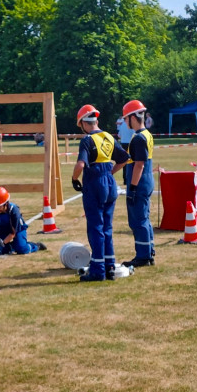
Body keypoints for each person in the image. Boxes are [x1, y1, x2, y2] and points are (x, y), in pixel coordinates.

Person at [71, 104, 129, 282]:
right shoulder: (109, 137)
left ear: (83, 123)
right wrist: (110, 173)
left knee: (95, 227)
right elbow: (124, 159)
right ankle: (110, 266)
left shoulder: (87, 140)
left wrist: (74, 179)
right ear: (96, 120)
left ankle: (98, 270)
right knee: (107, 227)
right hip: (110, 183)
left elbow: (81, 164)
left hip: (94, 183)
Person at [120, 99, 155, 267]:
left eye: (125, 118)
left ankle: (143, 256)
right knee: (144, 218)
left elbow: (139, 164)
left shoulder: (138, 138)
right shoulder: (146, 134)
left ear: (132, 117)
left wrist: (132, 188)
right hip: (147, 180)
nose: (124, 121)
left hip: (140, 182)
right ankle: (149, 250)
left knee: (137, 220)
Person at [0, 186, 47, 255]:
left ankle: (35, 246)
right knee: (0, 251)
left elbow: (13, 233)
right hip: (2, 230)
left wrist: (2, 243)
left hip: (18, 230)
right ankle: (10, 247)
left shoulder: (14, 210)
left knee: (21, 249)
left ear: (6, 204)